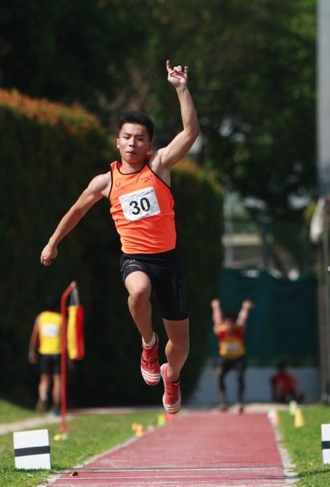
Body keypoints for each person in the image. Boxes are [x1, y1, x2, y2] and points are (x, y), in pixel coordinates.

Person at [40, 60, 200, 414]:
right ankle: (147, 343)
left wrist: (180, 88)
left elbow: (190, 132)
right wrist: (53, 241)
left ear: (149, 144)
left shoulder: (158, 166)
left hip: (168, 261)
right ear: (117, 142)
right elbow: (77, 210)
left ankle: (171, 376)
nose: (132, 144)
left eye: (139, 139)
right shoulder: (106, 182)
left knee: (182, 345)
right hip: (136, 259)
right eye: (126, 137)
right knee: (139, 292)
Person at [210, 298, 253, 412]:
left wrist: (245, 308)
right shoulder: (221, 330)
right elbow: (217, 318)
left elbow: (242, 318)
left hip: (239, 358)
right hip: (225, 358)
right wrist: (215, 307)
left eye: (230, 324)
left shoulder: (238, 329)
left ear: (233, 324)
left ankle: (240, 403)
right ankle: (223, 402)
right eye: (226, 323)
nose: (228, 327)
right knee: (219, 376)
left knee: (239, 377)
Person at [28, 295, 62, 415]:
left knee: (44, 379)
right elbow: (65, 339)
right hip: (58, 353)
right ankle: (55, 406)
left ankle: (43, 396)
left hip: (44, 352)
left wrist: (32, 351)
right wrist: (68, 358)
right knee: (58, 381)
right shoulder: (61, 319)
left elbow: (34, 335)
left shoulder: (41, 317)